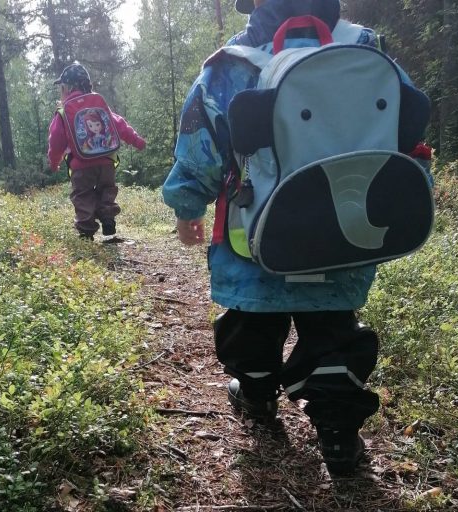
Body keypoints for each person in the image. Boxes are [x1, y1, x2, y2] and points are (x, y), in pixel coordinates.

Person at [162, 0, 430, 475]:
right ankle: (338, 431)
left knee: (251, 321)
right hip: (347, 231)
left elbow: (200, 148)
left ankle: (256, 392)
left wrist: (187, 208)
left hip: (253, 237)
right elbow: (408, 131)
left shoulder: (231, 65)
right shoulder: (365, 48)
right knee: (333, 329)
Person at [48, 62, 146, 242]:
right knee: (107, 189)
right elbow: (119, 123)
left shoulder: (63, 111)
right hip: (106, 161)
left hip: (80, 164)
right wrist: (137, 141)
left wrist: (55, 161)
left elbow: (56, 140)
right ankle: (108, 219)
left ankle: (86, 232)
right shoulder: (98, 104)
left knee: (82, 195)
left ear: (66, 88)